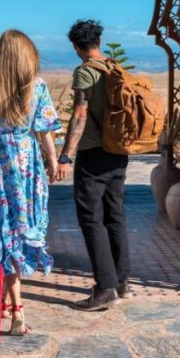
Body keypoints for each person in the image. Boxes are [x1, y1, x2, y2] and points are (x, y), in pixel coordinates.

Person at [0, 29, 61, 336]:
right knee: (18, 232)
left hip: (0, 170)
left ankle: (8, 305)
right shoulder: (38, 87)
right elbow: (45, 130)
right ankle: (16, 308)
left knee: (2, 232)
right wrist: (53, 161)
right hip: (28, 168)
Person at [56, 19, 131, 311]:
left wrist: (65, 156)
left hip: (93, 154)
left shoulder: (85, 72)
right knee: (116, 215)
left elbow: (80, 115)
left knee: (91, 219)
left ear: (76, 46)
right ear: (98, 41)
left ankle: (105, 288)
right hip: (118, 152)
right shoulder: (115, 68)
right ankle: (122, 283)